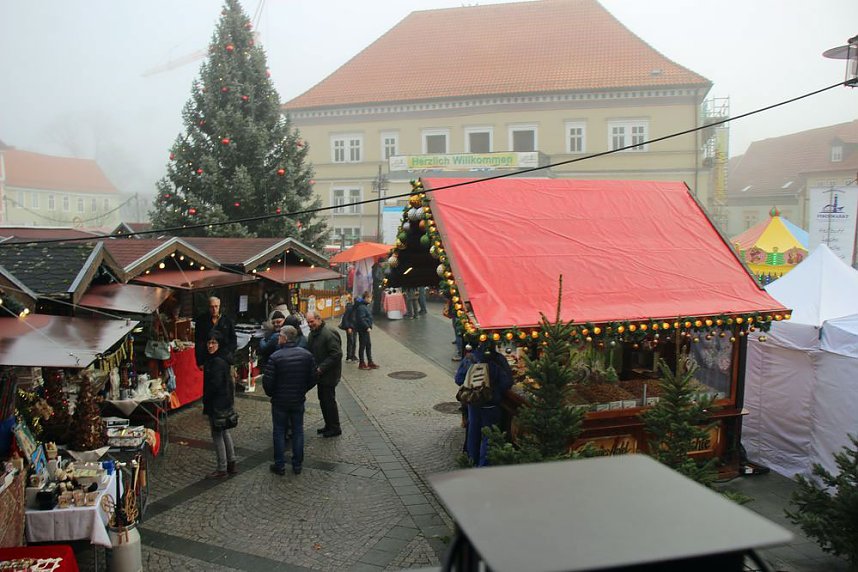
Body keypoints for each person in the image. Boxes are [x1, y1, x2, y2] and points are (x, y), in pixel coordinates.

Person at [263, 326, 316, 475]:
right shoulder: (306, 355)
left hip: (280, 401)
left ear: (284, 338)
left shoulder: (275, 357)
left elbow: (268, 382)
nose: (278, 338)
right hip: (298, 400)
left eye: (280, 335)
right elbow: (313, 378)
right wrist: (302, 390)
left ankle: (279, 465)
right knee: (298, 431)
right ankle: (297, 464)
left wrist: (272, 394)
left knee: (279, 432)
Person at [455, 343, 514, 467]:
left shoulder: (470, 358)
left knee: (473, 433)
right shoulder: (498, 359)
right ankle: (484, 466)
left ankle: (471, 461)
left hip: (474, 403)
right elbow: (507, 382)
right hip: (491, 405)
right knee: (488, 436)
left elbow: (459, 379)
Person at [202, 331, 238, 478]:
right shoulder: (223, 359)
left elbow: (214, 385)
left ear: (219, 344)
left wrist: (207, 400)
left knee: (217, 434)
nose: (210, 346)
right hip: (224, 401)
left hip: (217, 403)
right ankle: (231, 462)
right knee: (224, 431)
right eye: (209, 343)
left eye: (214, 343)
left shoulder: (216, 362)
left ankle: (222, 467)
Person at [305, 310, 344, 437]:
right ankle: (329, 425)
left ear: (318, 319)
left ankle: (335, 427)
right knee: (323, 400)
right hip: (321, 374)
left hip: (329, 374)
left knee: (328, 401)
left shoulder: (328, 333)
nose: (310, 324)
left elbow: (336, 354)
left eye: (312, 322)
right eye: (308, 322)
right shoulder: (313, 333)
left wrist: (321, 368)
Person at [195, 296, 237, 369]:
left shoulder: (226, 320)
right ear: (208, 307)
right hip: (208, 359)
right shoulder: (201, 321)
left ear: (219, 306)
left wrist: (228, 352)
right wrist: (200, 362)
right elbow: (199, 342)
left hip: (224, 358)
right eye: (212, 307)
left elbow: (233, 339)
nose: (214, 309)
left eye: (216, 306)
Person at [353, 293, 379, 370]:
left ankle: (370, 361)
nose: (371, 299)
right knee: (363, 346)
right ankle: (362, 363)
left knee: (368, 345)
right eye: (370, 298)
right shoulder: (361, 307)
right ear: (366, 298)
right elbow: (361, 318)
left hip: (366, 329)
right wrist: (367, 326)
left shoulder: (365, 306)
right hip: (363, 329)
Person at [339, 294, 358, 362]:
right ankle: (349, 356)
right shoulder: (350, 308)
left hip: (355, 327)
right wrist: (348, 327)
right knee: (351, 341)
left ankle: (353, 355)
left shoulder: (357, 309)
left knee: (354, 341)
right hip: (350, 327)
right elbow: (345, 318)